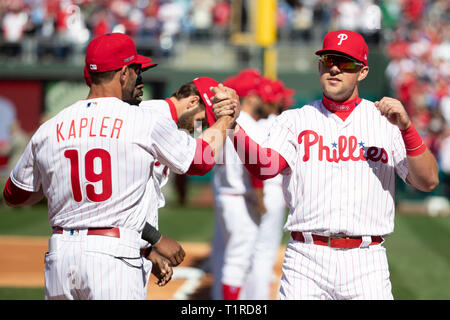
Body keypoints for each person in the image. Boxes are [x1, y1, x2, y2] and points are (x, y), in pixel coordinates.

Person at [2, 32, 239, 300]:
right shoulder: (142, 120)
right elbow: (199, 161)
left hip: (60, 256)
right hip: (114, 258)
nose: (140, 79)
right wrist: (225, 122)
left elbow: (14, 194)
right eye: (137, 71)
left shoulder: (50, 127)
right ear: (124, 73)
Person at [228, 30, 439, 300]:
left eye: (346, 63)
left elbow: (428, 180)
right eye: (328, 60)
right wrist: (235, 129)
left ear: (362, 72)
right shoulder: (295, 120)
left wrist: (408, 128)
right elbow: (266, 167)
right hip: (306, 257)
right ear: (320, 66)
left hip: (367, 260)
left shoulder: (386, 123)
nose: (335, 68)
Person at [210, 69, 274, 300]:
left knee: (228, 257)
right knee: (238, 262)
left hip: (225, 193)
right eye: (257, 95)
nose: (260, 99)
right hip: (241, 197)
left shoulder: (221, 123)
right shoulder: (250, 125)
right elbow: (255, 170)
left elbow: (207, 159)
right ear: (250, 97)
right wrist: (260, 199)